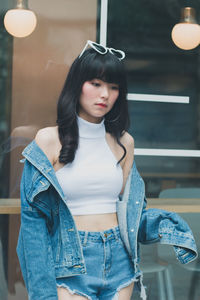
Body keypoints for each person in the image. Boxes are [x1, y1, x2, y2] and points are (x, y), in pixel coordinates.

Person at [17, 40, 197, 300]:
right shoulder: (48, 140)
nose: (105, 95)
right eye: (96, 84)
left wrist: (169, 228)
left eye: (114, 87)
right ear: (77, 85)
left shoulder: (124, 142)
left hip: (119, 259)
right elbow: (33, 223)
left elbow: (131, 212)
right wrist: (42, 293)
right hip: (70, 261)